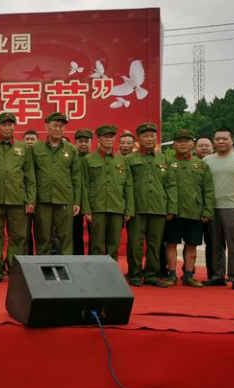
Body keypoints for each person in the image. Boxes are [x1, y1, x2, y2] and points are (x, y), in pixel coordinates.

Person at [0, 112, 36, 283]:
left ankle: (14, 269)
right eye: (4, 125)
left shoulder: (23, 148)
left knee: (18, 237)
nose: (7, 128)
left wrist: (31, 200)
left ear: (14, 127)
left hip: (18, 199)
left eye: (10, 124)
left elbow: (30, 176)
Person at [125, 123, 177, 287]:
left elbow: (171, 185)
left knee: (155, 244)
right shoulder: (129, 160)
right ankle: (134, 274)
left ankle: (152, 275)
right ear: (138, 139)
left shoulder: (165, 160)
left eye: (152, 136)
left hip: (158, 208)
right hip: (137, 208)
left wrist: (171, 208)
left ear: (156, 138)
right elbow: (125, 186)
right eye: (145, 136)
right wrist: (128, 208)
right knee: (135, 244)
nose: (149, 139)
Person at [163, 129, 214, 287]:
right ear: (174, 144)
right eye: (179, 141)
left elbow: (208, 190)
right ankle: (172, 275)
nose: (183, 144)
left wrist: (208, 211)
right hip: (173, 212)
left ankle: (188, 275)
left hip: (194, 212)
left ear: (192, 144)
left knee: (192, 245)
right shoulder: (167, 163)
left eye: (186, 141)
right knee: (171, 244)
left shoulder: (201, 165)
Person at [82, 125, 134, 260]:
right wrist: (86, 209)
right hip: (97, 207)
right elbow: (84, 186)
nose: (109, 139)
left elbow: (128, 186)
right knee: (96, 244)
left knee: (113, 245)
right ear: (99, 139)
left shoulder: (122, 160)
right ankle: (95, 271)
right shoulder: (88, 159)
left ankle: (112, 271)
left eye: (111, 136)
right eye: (106, 137)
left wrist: (129, 209)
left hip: (117, 207)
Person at [202, 128, 234, 290]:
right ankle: (217, 276)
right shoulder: (207, 160)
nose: (221, 141)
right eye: (217, 138)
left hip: (233, 207)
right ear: (213, 141)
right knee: (215, 244)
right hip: (212, 208)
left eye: (225, 139)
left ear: (232, 140)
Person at [32, 113, 81, 256]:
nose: (58, 129)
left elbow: (76, 177)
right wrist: (32, 200)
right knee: (43, 237)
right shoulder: (36, 149)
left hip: (64, 199)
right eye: (55, 126)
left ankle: (66, 266)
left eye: (61, 126)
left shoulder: (71, 149)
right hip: (42, 199)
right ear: (46, 127)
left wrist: (76, 201)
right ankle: (43, 266)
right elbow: (31, 176)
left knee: (66, 237)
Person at [194, 136, 215, 278]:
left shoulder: (216, 163)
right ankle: (188, 271)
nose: (204, 148)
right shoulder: (189, 163)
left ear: (212, 147)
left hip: (212, 208)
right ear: (194, 148)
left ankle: (214, 273)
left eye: (207, 145)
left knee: (213, 242)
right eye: (200, 145)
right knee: (191, 242)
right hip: (192, 209)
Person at [72, 129, 93, 255]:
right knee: (75, 233)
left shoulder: (95, 158)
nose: (83, 144)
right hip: (74, 201)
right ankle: (77, 258)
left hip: (92, 201)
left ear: (91, 142)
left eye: (86, 141)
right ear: (76, 142)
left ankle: (93, 261)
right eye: (80, 141)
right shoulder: (71, 158)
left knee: (95, 235)